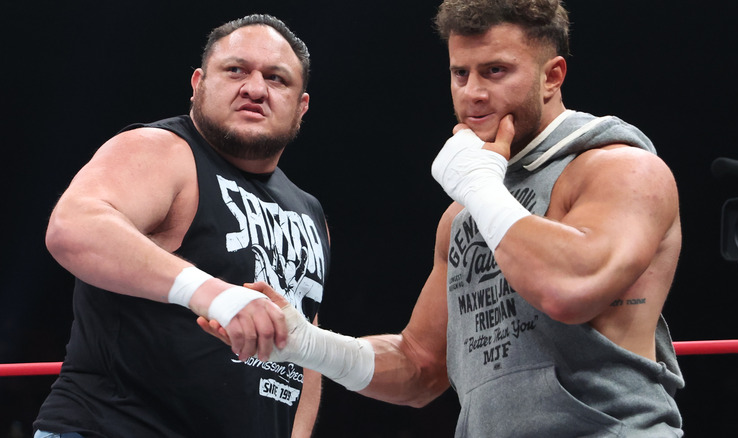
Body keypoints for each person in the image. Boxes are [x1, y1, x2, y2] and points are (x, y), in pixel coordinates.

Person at [201, 0, 686, 436]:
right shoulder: (466, 212)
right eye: (460, 74)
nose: (473, 93)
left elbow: (569, 290)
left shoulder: (621, 169)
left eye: (495, 71)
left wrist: (479, 188)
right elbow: (419, 369)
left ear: (552, 76)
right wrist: (305, 343)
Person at [33, 14, 329, 438]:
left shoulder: (310, 212)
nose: (255, 89)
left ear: (301, 105)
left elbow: (304, 351)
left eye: (277, 79)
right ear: (198, 83)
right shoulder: (162, 152)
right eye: (236, 70)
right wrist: (210, 292)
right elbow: (74, 226)